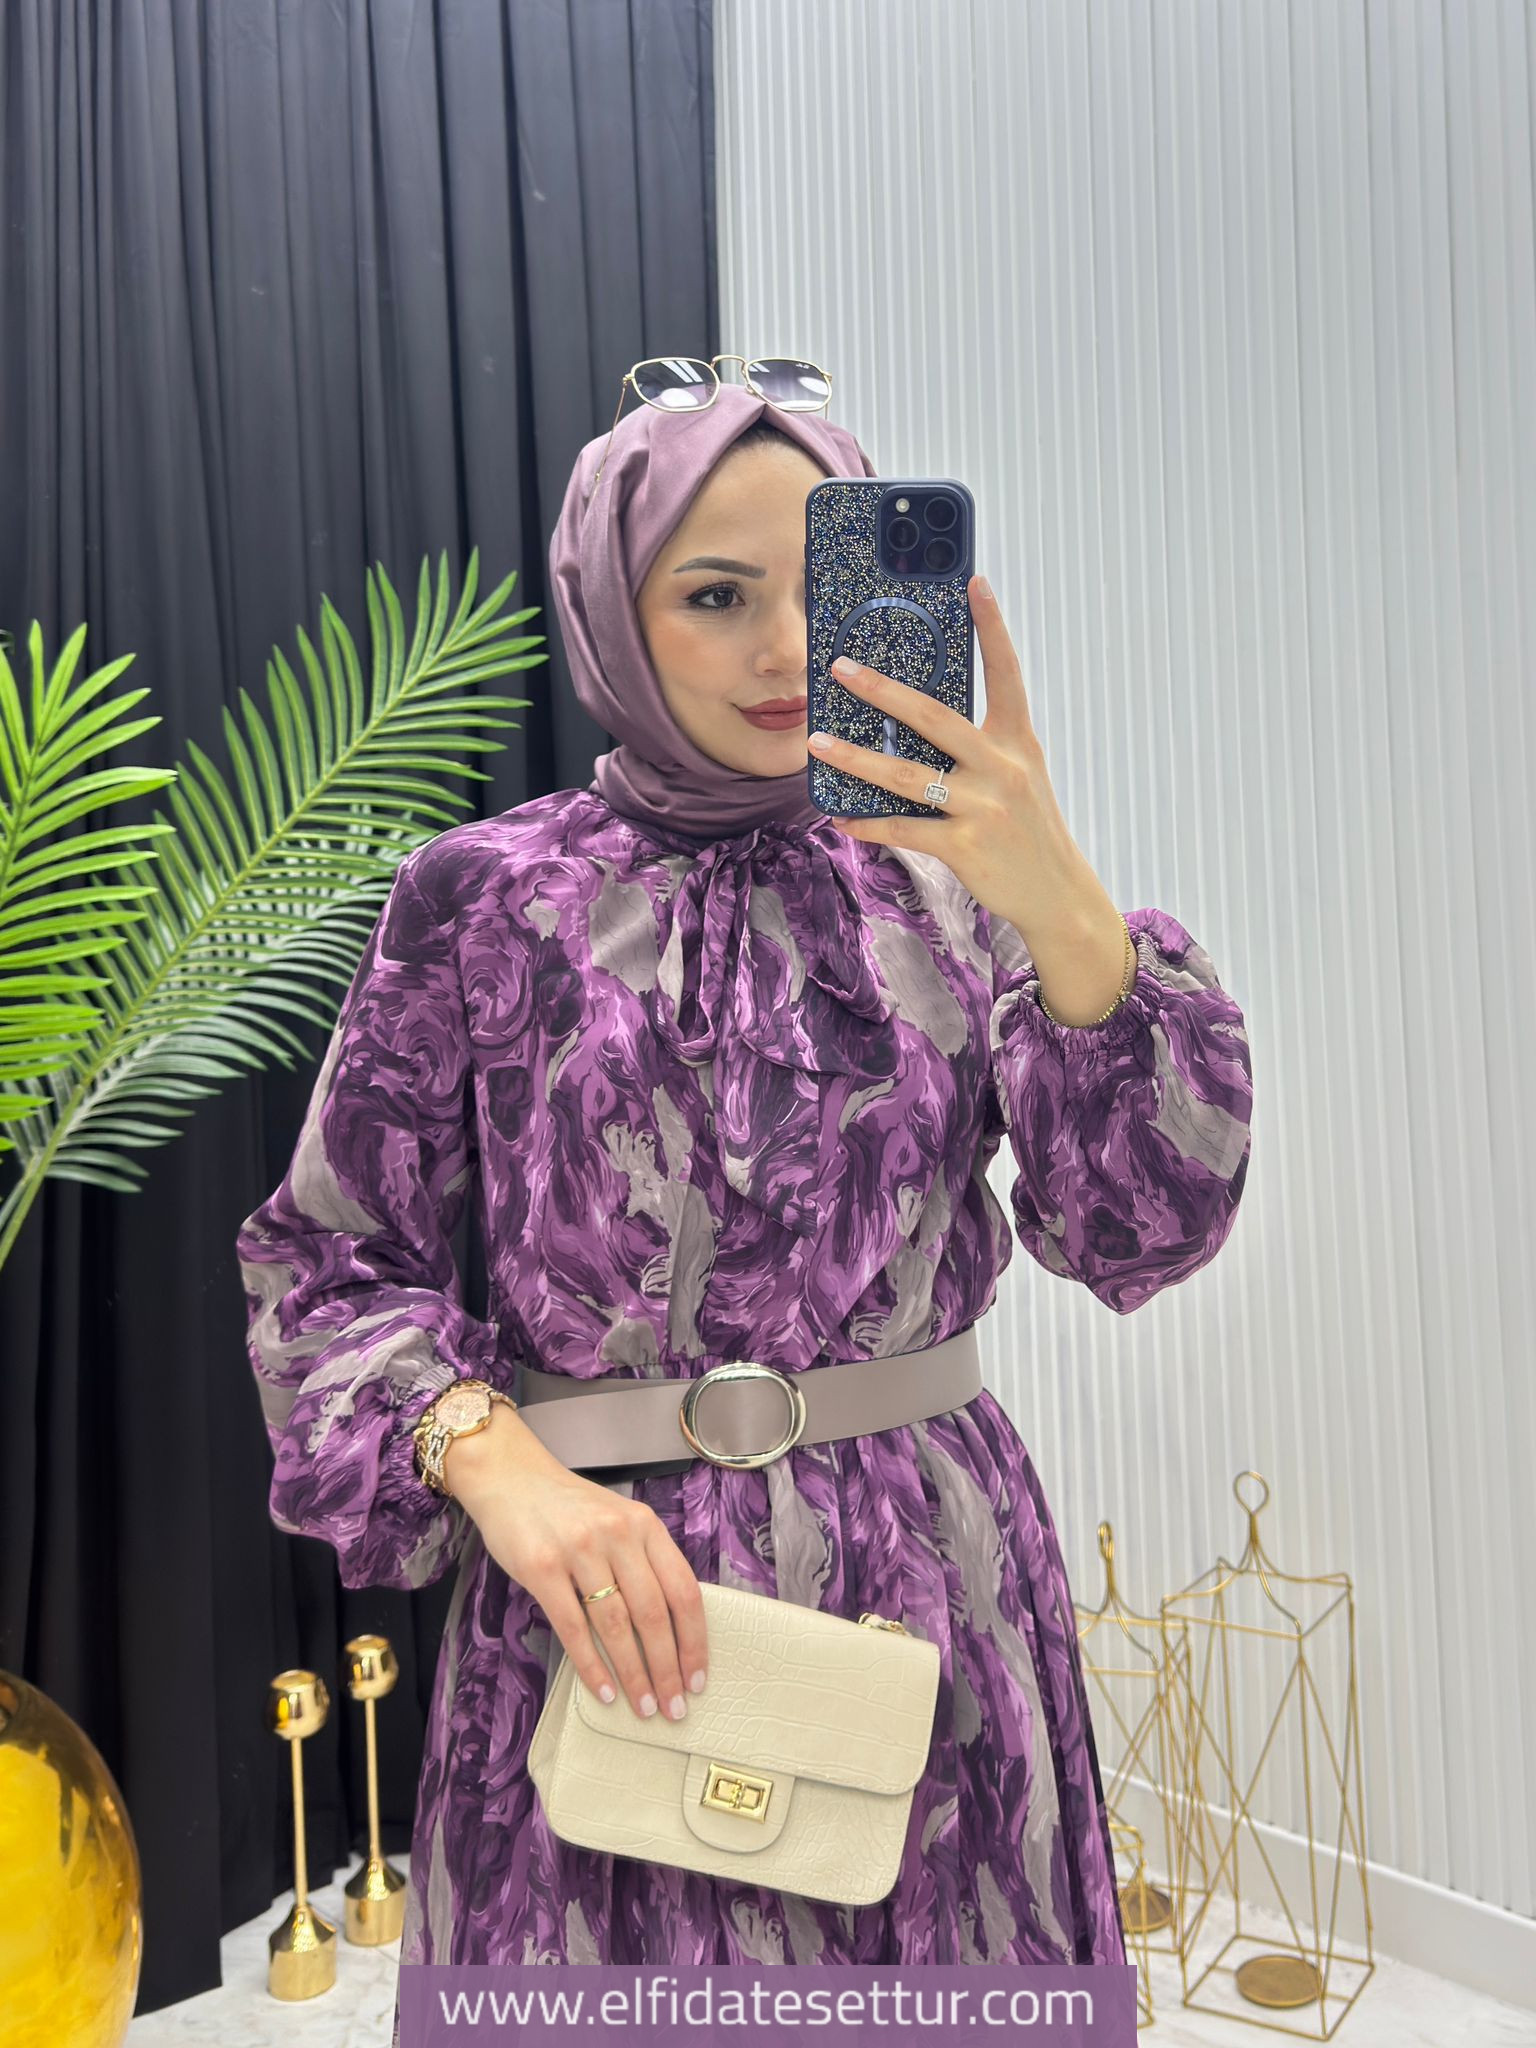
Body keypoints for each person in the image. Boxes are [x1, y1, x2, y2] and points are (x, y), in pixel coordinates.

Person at [236, 381, 1252, 1992]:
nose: (790, 651)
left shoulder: (957, 885)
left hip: (930, 1598)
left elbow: (1146, 1228)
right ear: (612, 607)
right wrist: (494, 1463)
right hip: (602, 1616)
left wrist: (1063, 902)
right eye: (717, 596)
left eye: (817, 591)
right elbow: (327, 1265)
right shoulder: (483, 901)